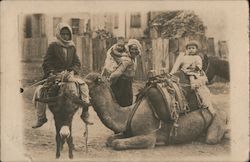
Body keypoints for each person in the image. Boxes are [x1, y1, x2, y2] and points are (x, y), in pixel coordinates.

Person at [32, 23, 91, 128]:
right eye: (63, 34)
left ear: (70, 35)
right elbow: (46, 62)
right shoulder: (53, 46)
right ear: (58, 34)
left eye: (67, 34)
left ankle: (85, 113)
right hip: (55, 75)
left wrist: (72, 71)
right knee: (40, 91)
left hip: (69, 75)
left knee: (84, 87)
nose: (65, 36)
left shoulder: (72, 47)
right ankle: (41, 118)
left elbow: (77, 63)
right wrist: (51, 73)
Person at [170, 40, 216, 115]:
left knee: (192, 78)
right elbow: (178, 65)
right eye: (189, 48)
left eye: (193, 48)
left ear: (196, 49)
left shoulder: (197, 57)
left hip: (194, 72)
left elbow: (199, 65)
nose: (191, 50)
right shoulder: (184, 57)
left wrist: (196, 67)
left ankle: (193, 85)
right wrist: (173, 73)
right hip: (185, 71)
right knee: (178, 80)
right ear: (187, 49)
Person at [109, 39, 142, 107]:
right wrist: (110, 81)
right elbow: (116, 74)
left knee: (127, 105)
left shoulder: (133, 59)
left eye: (136, 49)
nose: (134, 51)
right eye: (132, 49)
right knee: (124, 106)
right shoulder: (127, 60)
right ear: (129, 49)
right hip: (122, 86)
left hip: (127, 85)